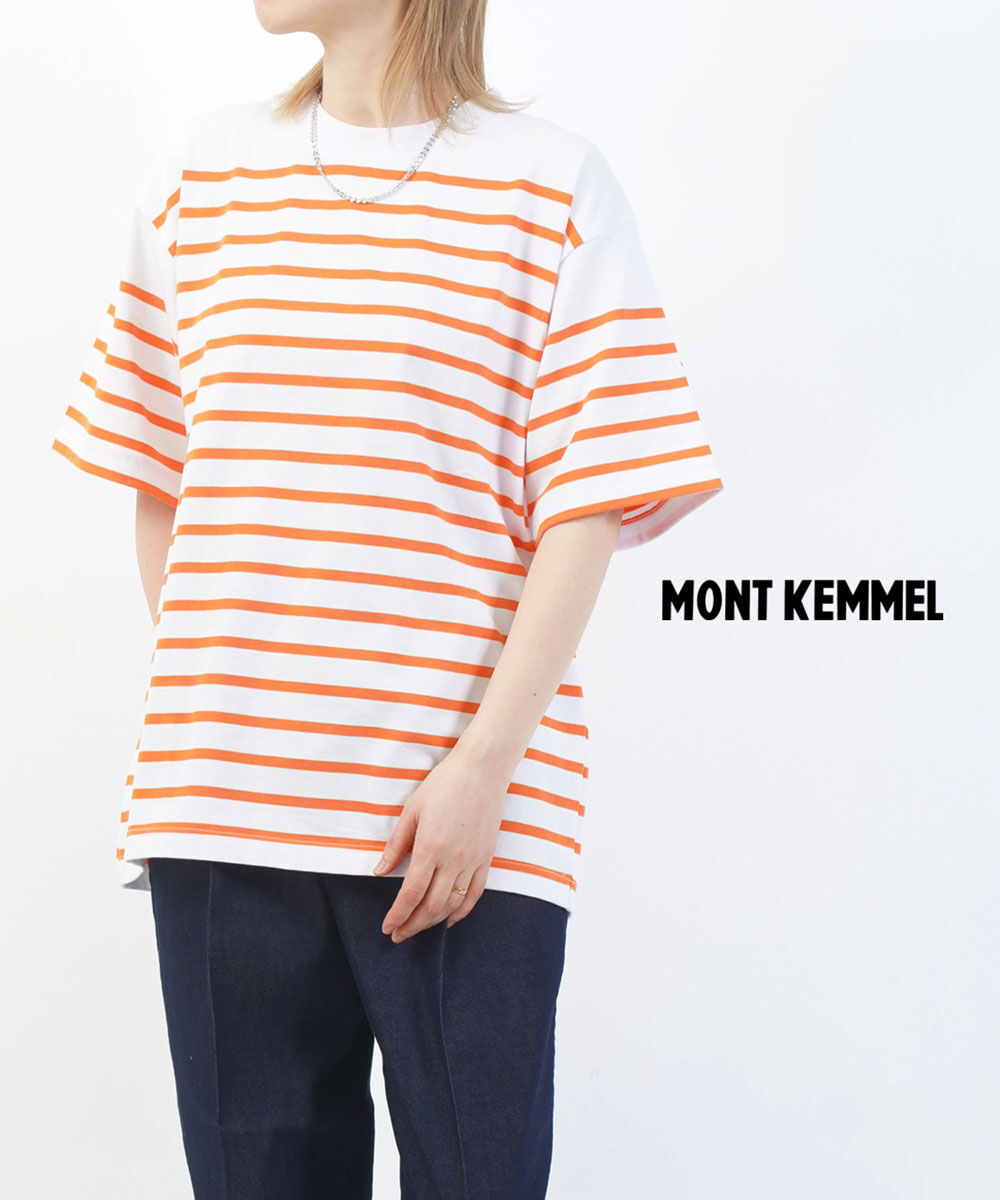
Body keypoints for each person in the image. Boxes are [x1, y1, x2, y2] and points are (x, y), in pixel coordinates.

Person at [50, 1, 724, 1196]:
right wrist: (241, 713)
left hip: (460, 820)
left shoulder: (550, 187)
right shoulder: (202, 175)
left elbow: (585, 503)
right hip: (224, 810)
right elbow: (160, 474)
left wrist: (483, 769)